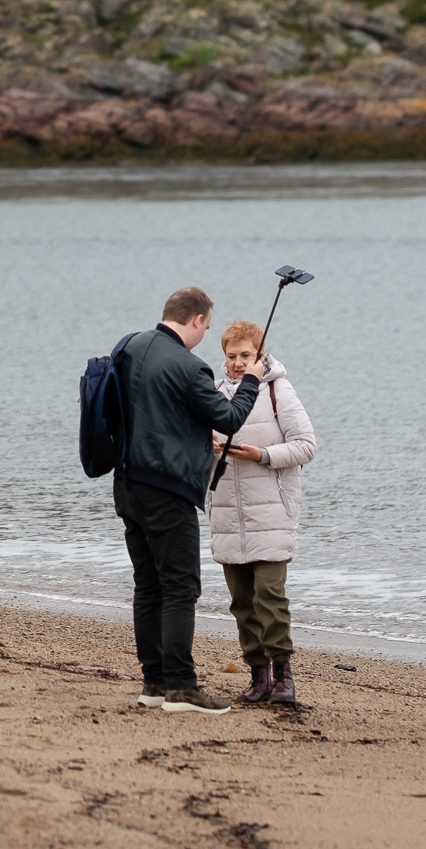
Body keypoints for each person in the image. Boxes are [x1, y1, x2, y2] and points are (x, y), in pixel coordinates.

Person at [114, 287, 262, 714]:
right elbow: (230, 418)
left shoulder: (130, 346)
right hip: (167, 488)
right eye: (208, 327)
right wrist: (250, 381)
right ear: (196, 320)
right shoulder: (188, 366)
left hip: (126, 483)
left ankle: (153, 683)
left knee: (149, 585)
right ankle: (181, 686)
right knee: (180, 587)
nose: (205, 334)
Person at [209, 320, 317, 706]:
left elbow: (306, 446)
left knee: (269, 594)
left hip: (272, 510)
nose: (239, 363)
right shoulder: (214, 393)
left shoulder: (278, 390)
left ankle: (284, 678)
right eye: (232, 356)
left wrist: (263, 455)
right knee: (241, 600)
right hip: (226, 512)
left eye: (246, 355)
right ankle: (258, 677)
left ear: (261, 355)